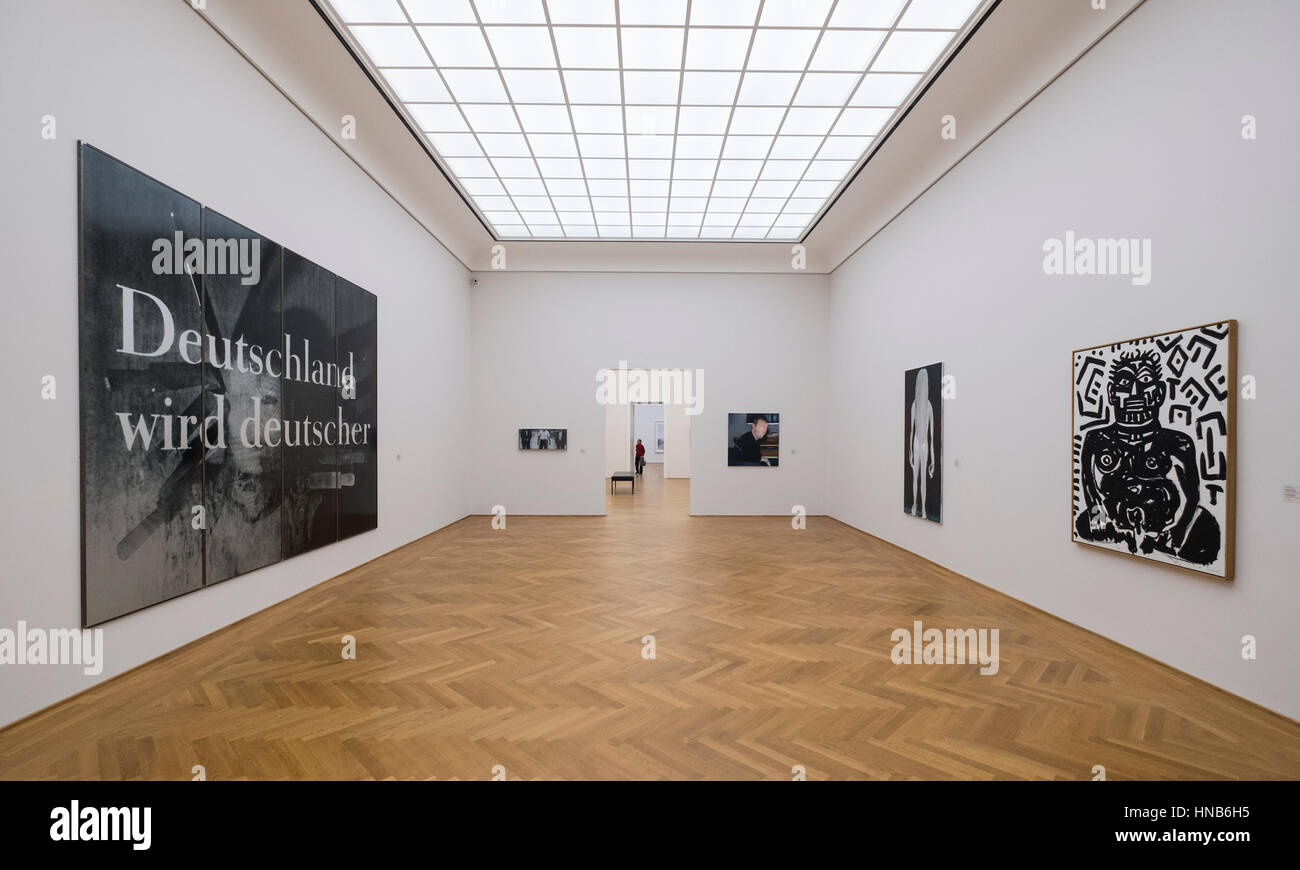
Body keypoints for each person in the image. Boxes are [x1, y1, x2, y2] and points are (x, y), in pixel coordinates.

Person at [908, 368, 935, 518]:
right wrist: (911, 453)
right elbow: (912, 431)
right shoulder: (916, 405)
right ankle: (915, 505)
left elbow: (931, 436)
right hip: (918, 444)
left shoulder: (927, 405)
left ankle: (921, 508)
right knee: (916, 478)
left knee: (920, 479)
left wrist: (933, 460)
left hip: (921, 444)